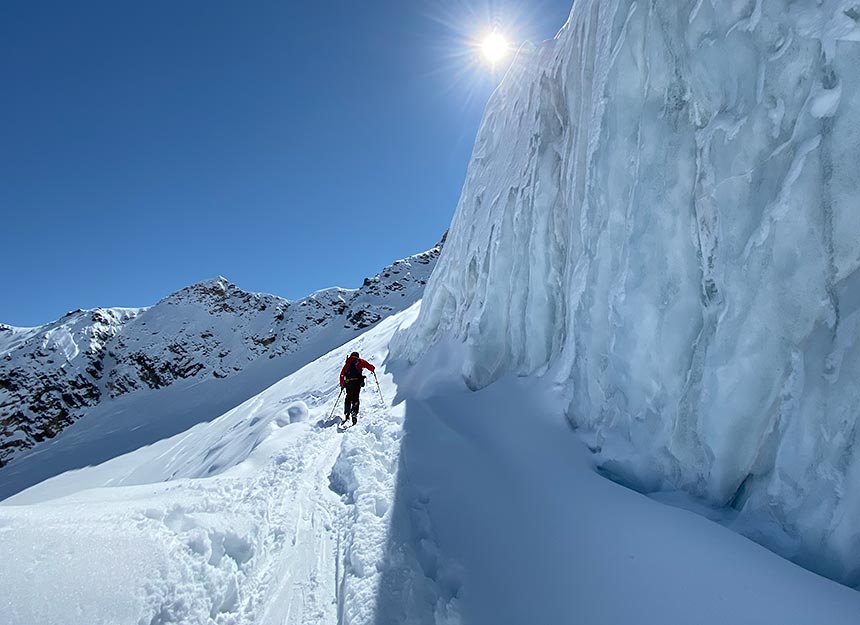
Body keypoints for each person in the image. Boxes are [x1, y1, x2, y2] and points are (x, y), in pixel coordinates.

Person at [339, 351, 375, 426]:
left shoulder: (348, 362)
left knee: (348, 397)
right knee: (355, 397)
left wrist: (342, 384)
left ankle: (347, 413)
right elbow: (369, 366)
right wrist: (372, 369)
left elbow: (342, 374)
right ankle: (354, 413)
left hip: (348, 383)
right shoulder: (360, 361)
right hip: (357, 383)